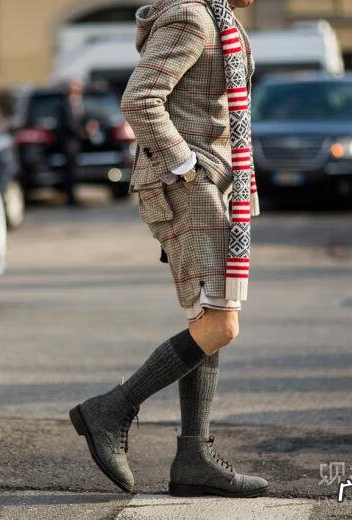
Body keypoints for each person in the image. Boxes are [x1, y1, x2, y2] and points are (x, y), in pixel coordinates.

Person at [68, 0, 268, 497]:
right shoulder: (192, 18)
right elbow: (140, 99)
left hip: (213, 183)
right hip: (189, 186)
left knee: (208, 320)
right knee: (221, 325)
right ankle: (110, 411)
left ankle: (194, 457)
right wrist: (185, 167)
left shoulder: (219, 19)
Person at [56, 80, 85, 206]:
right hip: (69, 144)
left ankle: (72, 196)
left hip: (76, 144)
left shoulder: (79, 104)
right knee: (69, 172)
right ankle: (70, 197)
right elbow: (69, 124)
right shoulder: (64, 106)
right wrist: (83, 133)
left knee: (74, 171)